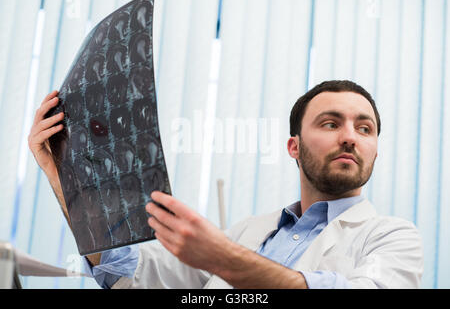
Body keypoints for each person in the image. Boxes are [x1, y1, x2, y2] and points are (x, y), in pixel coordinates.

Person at [28, 80, 423, 289]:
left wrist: (221, 257)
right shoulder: (249, 231)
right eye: (331, 123)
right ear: (293, 146)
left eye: (365, 128)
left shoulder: (394, 238)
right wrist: (64, 179)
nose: (351, 136)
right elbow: (130, 276)